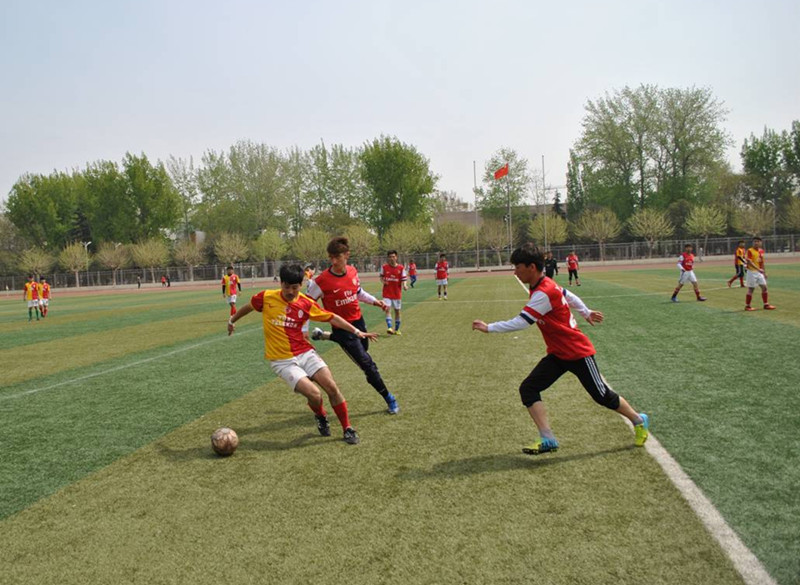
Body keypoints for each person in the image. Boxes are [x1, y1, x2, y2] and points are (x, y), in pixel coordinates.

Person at [471, 243, 649, 454]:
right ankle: (547, 439)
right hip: (558, 354)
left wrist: (489, 328)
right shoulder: (544, 284)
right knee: (528, 388)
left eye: (517, 267)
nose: (515, 272)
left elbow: (522, 322)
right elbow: (569, 295)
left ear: (531, 267)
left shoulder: (543, 292)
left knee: (602, 396)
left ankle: (638, 420)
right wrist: (585, 311)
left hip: (577, 352)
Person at [227, 264, 374, 445]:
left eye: (294, 287)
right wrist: (232, 321)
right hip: (282, 361)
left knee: (332, 388)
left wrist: (357, 331)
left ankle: (347, 428)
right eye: (286, 287)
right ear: (281, 283)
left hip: (305, 352)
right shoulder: (266, 297)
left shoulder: (306, 303)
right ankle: (320, 415)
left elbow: (332, 317)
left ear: (301, 285)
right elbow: (248, 307)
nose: (290, 291)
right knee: (315, 394)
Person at [307, 236, 400, 414]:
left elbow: (358, 292)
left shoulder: (352, 271)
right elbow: (305, 305)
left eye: (337, 257)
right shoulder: (321, 281)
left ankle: (323, 335)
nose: (334, 261)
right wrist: (304, 329)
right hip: (341, 327)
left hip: (359, 322)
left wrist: (375, 301)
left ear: (347, 255)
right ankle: (389, 398)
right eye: (331, 257)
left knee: (364, 351)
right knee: (367, 365)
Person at [743, 236, 776, 311]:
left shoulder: (761, 251)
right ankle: (747, 306)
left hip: (759, 272)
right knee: (751, 289)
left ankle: (766, 304)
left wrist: (764, 273)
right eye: (755, 241)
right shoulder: (750, 250)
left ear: (761, 243)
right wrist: (758, 269)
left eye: (758, 241)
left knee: (764, 287)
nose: (756, 243)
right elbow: (749, 262)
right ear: (752, 243)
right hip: (751, 272)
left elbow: (762, 262)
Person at [380, 250, 408, 334]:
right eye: (390, 257)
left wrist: (405, 285)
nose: (391, 258)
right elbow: (381, 277)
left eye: (393, 256)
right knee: (387, 309)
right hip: (387, 293)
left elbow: (404, 278)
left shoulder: (401, 268)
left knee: (397, 311)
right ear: (388, 258)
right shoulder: (384, 267)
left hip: (397, 293)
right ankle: (389, 327)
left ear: (396, 257)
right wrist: (383, 281)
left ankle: (397, 329)